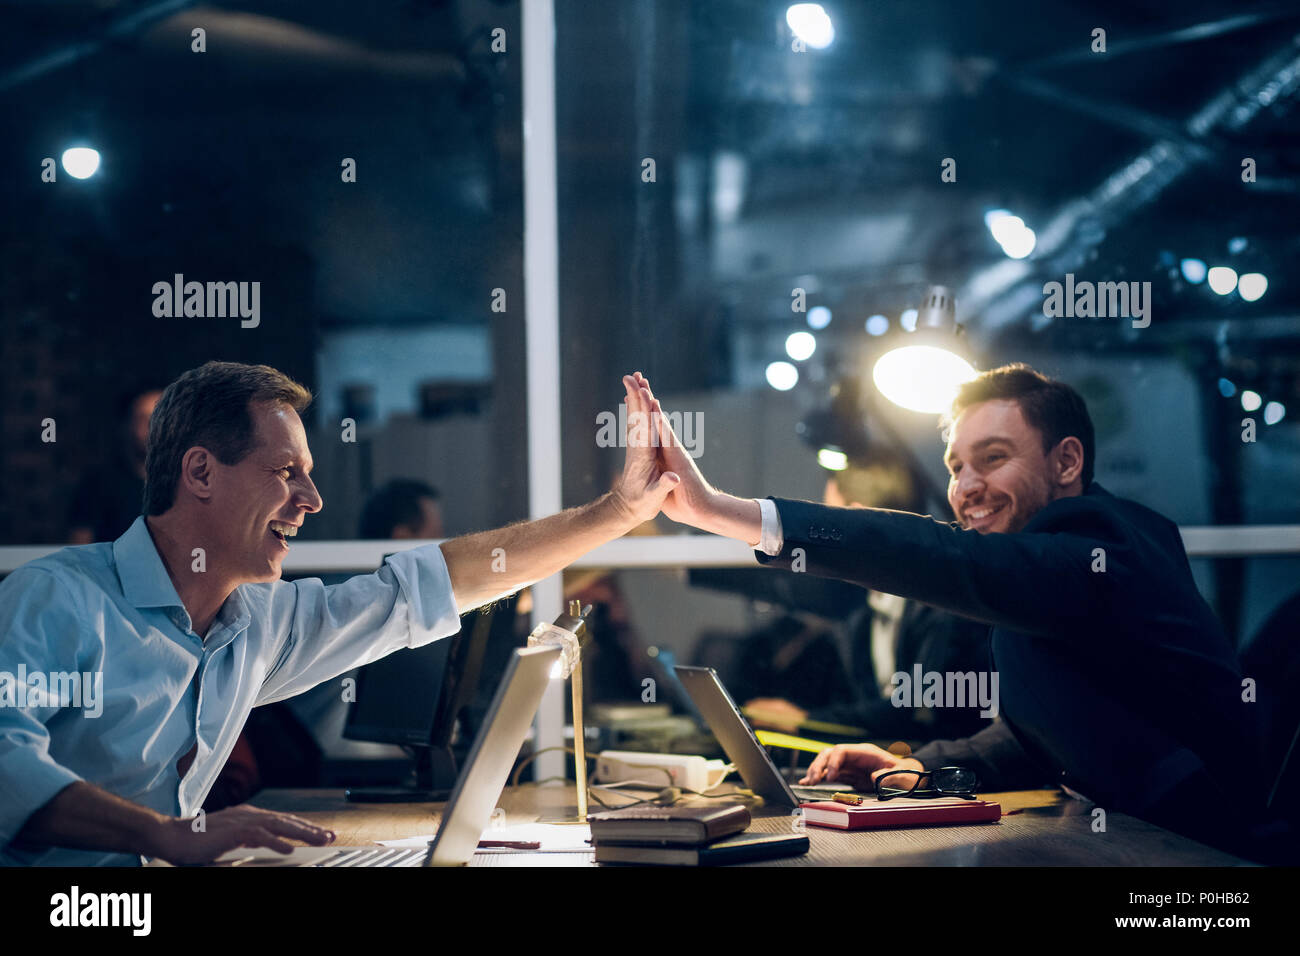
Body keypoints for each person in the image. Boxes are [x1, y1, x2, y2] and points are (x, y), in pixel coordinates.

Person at [0, 363, 679, 866]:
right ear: (201, 473)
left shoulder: (257, 622)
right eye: (287, 472)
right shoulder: (54, 598)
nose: (313, 499)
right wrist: (163, 833)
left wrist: (616, 512)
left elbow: (443, 581)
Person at [631, 365, 1264, 856]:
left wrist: (723, 511)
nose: (965, 488)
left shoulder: (1105, 545)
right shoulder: (1041, 574)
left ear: (1067, 461)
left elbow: (942, 557)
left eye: (993, 458)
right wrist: (916, 765)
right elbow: (1030, 731)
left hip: (1209, 867)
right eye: (956, 466)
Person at [745, 458, 994, 742]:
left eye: (828, 523)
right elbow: (856, 708)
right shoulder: (860, 615)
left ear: (856, 521)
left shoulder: (946, 607)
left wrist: (804, 722)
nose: (820, 542)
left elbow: (918, 710)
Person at [67, 387, 164, 544]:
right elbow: (80, 551)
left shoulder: (190, 485)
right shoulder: (98, 484)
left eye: (162, 417)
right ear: (127, 425)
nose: (154, 426)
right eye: (143, 419)